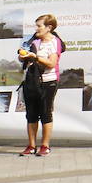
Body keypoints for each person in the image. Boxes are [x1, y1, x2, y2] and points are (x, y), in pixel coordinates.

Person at [18, 14, 63, 156]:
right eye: (36, 25)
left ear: (49, 27)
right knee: (31, 114)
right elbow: (22, 57)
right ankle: (31, 146)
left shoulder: (55, 42)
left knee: (45, 112)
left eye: (39, 26)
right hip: (31, 81)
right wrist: (22, 56)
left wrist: (35, 57)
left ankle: (45, 145)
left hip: (49, 81)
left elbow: (51, 63)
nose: (36, 29)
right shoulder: (33, 41)